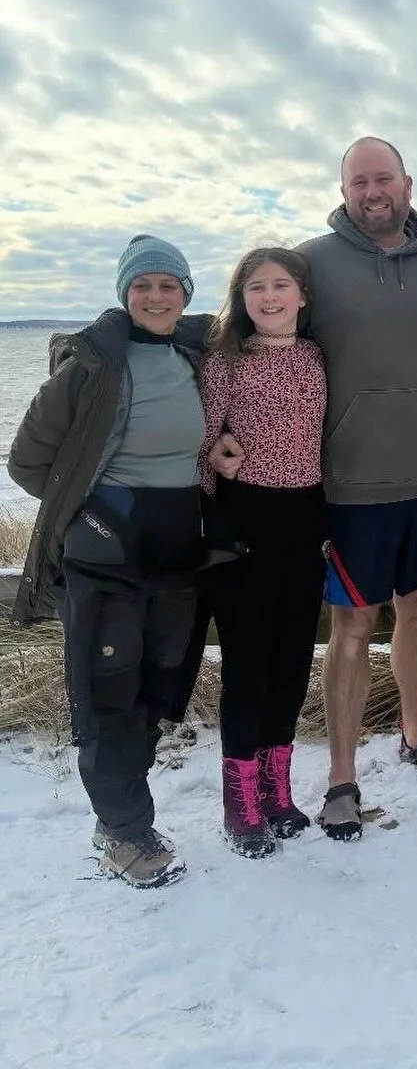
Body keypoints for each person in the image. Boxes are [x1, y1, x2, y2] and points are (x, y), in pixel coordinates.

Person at [8, 236, 210, 888]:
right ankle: (122, 831)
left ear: (186, 294)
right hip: (106, 551)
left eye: (168, 285)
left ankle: (125, 817)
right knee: (107, 692)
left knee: (156, 686)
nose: (155, 296)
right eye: (142, 285)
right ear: (124, 293)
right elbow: (28, 462)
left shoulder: (192, 354)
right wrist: (93, 511)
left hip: (176, 546)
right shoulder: (93, 364)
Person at [295, 137, 417, 840]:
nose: (373, 192)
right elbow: (255, 332)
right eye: (358, 181)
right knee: (350, 627)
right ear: (343, 189)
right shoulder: (311, 264)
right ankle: (342, 776)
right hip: (350, 483)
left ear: (407, 182)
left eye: (384, 179)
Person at [197, 248, 326, 858]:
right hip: (246, 521)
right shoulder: (225, 361)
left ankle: (276, 788)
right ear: (241, 298)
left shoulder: (315, 356)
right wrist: (214, 481)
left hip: (307, 522)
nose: (270, 297)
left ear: (302, 294)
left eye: (281, 285)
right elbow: (197, 447)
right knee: (248, 666)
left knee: (293, 661)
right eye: (256, 288)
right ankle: (239, 800)